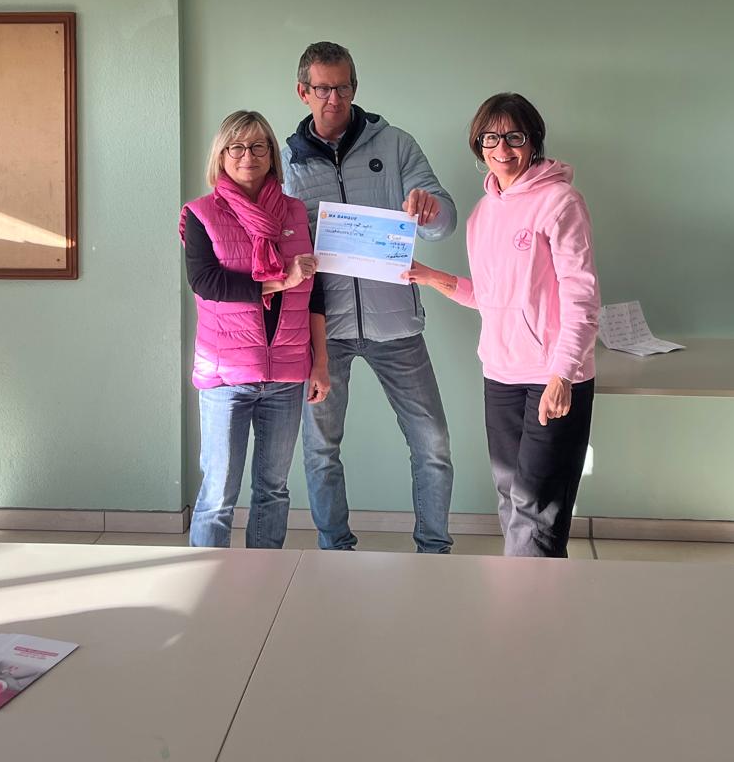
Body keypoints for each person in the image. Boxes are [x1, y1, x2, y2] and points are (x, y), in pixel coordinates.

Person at [407, 93, 599, 558]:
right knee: (511, 496)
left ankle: (530, 599)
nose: (502, 148)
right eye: (490, 138)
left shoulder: (560, 202)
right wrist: (431, 277)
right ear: (479, 145)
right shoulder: (482, 213)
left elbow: (582, 297)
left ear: (533, 141)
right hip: (500, 374)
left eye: (514, 136)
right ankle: (521, 592)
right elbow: (492, 299)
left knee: (538, 505)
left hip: (552, 375)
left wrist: (563, 375)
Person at [283, 41, 457, 553]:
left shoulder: (396, 144)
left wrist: (430, 210)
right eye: (322, 89)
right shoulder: (287, 161)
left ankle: (434, 550)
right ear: (303, 92)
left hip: (396, 324)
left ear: (355, 88)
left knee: (433, 443)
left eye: (342, 87)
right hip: (323, 331)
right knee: (320, 449)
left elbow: (444, 220)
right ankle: (335, 550)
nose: (333, 99)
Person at [182, 110, 330, 548]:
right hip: (227, 375)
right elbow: (206, 282)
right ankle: (207, 579)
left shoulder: (295, 212)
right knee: (218, 495)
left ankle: (264, 578)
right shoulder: (201, 214)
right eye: (237, 147)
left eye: (258, 146)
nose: (248, 155)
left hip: (287, 373)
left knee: (273, 491)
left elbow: (315, 293)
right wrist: (281, 279)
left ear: (271, 156)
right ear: (221, 155)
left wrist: (320, 363)